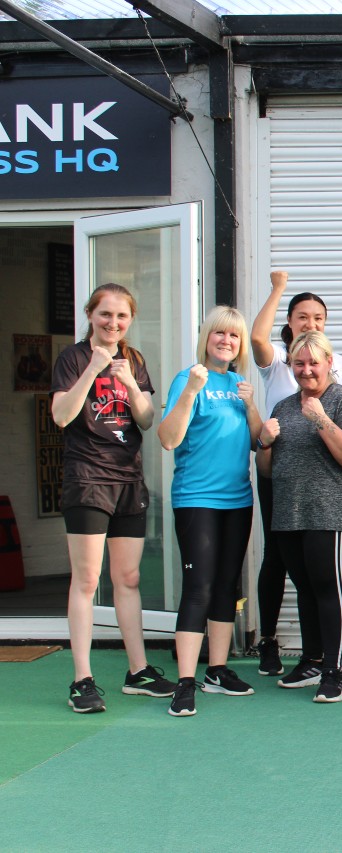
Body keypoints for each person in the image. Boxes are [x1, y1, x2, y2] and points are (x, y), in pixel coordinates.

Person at [52, 283, 175, 712]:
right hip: (88, 479)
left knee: (129, 579)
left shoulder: (134, 360)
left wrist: (128, 380)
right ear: (91, 314)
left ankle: (137, 671)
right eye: (106, 314)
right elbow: (61, 415)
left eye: (121, 316)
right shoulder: (72, 358)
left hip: (128, 479)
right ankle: (82, 680)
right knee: (87, 580)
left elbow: (144, 419)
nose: (113, 323)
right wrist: (93, 370)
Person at [248, 270, 342, 677]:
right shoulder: (278, 358)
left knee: (323, 575)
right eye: (302, 317)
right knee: (279, 559)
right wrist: (277, 287)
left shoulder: (336, 363)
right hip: (280, 468)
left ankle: (330, 661)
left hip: (324, 477)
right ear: (290, 324)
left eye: (318, 318)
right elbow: (257, 339)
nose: (310, 324)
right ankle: (271, 642)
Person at [157, 307, 262, 716]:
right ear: (206, 337)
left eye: (234, 336)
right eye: (220, 334)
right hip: (197, 499)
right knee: (198, 586)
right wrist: (189, 393)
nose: (227, 341)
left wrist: (254, 409)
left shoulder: (239, 383)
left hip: (238, 499)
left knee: (226, 585)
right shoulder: (189, 378)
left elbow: (256, 443)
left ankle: (217, 670)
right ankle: (186, 681)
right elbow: (168, 439)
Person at [258, 331, 342, 703]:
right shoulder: (284, 407)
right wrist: (264, 443)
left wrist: (321, 419)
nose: (306, 370)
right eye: (299, 363)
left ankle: (334, 671)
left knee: (328, 588)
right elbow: (267, 470)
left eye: (313, 363)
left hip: (331, 511)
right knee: (304, 589)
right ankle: (311, 660)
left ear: (329, 363)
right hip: (289, 510)